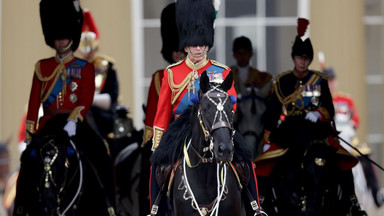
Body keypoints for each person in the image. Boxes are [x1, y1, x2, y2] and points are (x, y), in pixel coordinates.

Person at [150, 0, 261, 215]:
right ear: (186, 45)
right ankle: (155, 209)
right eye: (193, 45)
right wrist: (158, 143)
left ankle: (255, 207)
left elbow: (232, 102)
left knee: (244, 160)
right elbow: (162, 112)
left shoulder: (222, 71)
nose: (198, 48)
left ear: (208, 45)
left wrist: (220, 120)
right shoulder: (172, 73)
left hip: (217, 123)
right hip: (182, 128)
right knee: (158, 166)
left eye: (201, 44)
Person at [255, 18, 366, 215]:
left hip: (316, 131)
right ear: (294, 58)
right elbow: (272, 113)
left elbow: (329, 109)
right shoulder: (282, 81)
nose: (303, 61)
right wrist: (267, 138)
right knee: (269, 161)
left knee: (342, 159)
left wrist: (318, 112)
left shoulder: (320, 81)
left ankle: (352, 203)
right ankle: (261, 203)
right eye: (299, 57)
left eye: (306, 57)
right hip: (290, 130)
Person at [15, 0, 116, 214]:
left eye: (64, 37)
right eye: (58, 38)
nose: (61, 42)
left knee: (101, 151)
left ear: (72, 37)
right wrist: (30, 131)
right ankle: (21, 207)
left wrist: (73, 120)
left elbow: (85, 99)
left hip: (75, 123)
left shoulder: (85, 68)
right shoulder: (42, 67)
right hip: (49, 123)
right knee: (28, 160)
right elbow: (34, 101)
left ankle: (109, 206)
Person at [140, 3, 185, 215]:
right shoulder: (160, 77)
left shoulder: (202, 73)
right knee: (144, 168)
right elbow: (152, 116)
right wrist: (152, 143)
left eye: (181, 46)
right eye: (174, 47)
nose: (177, 51)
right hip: (168, 136)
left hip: (197, 132)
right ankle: (150, 207)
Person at [324, 67, 384, 209]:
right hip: (329, 141)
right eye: (328, 82)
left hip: (348, 138)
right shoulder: (320, 102)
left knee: (366, 155)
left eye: (333, 81)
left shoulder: (346, 99)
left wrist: (348, 125)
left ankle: (376, 195)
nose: (331, 84)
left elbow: (356, 119)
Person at [75, 9, 119, 140]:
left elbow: (112, 97)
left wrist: (88, 99)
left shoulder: (107, 67)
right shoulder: (71, 68)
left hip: (102, 117)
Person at [231, 36, 272, 160]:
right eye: (239, 53)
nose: (242, 56)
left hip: (256, 127)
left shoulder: (263, 78)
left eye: (246, 53)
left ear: (251, 54)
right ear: (234, 55)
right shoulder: (227, 75)